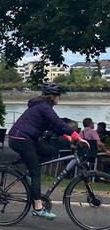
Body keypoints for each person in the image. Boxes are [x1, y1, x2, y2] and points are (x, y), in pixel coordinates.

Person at [8, 83, 89, 220]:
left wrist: (67, 136)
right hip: (21, 139)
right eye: (58, 96)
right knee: (36, 173)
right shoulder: (44, 107)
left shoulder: (43, 107)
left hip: (25, 138)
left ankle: (30, 174)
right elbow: (58, 123)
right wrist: (76, 136)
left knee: (51, 150)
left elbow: (53, 126)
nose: (60, 98)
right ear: (52, 97)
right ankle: (38, 208)